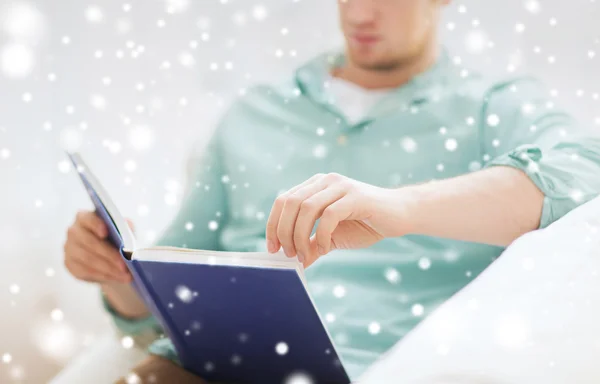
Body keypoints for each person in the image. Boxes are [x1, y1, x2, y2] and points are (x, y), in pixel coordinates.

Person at [63, 0, 600, 382]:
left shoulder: (493, 106)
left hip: (382, 366)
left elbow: (585, 174)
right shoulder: (255, 113)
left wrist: (402, 207)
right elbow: (164, 296)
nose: (360, 15)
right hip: (202, 366)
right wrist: (114, 272)